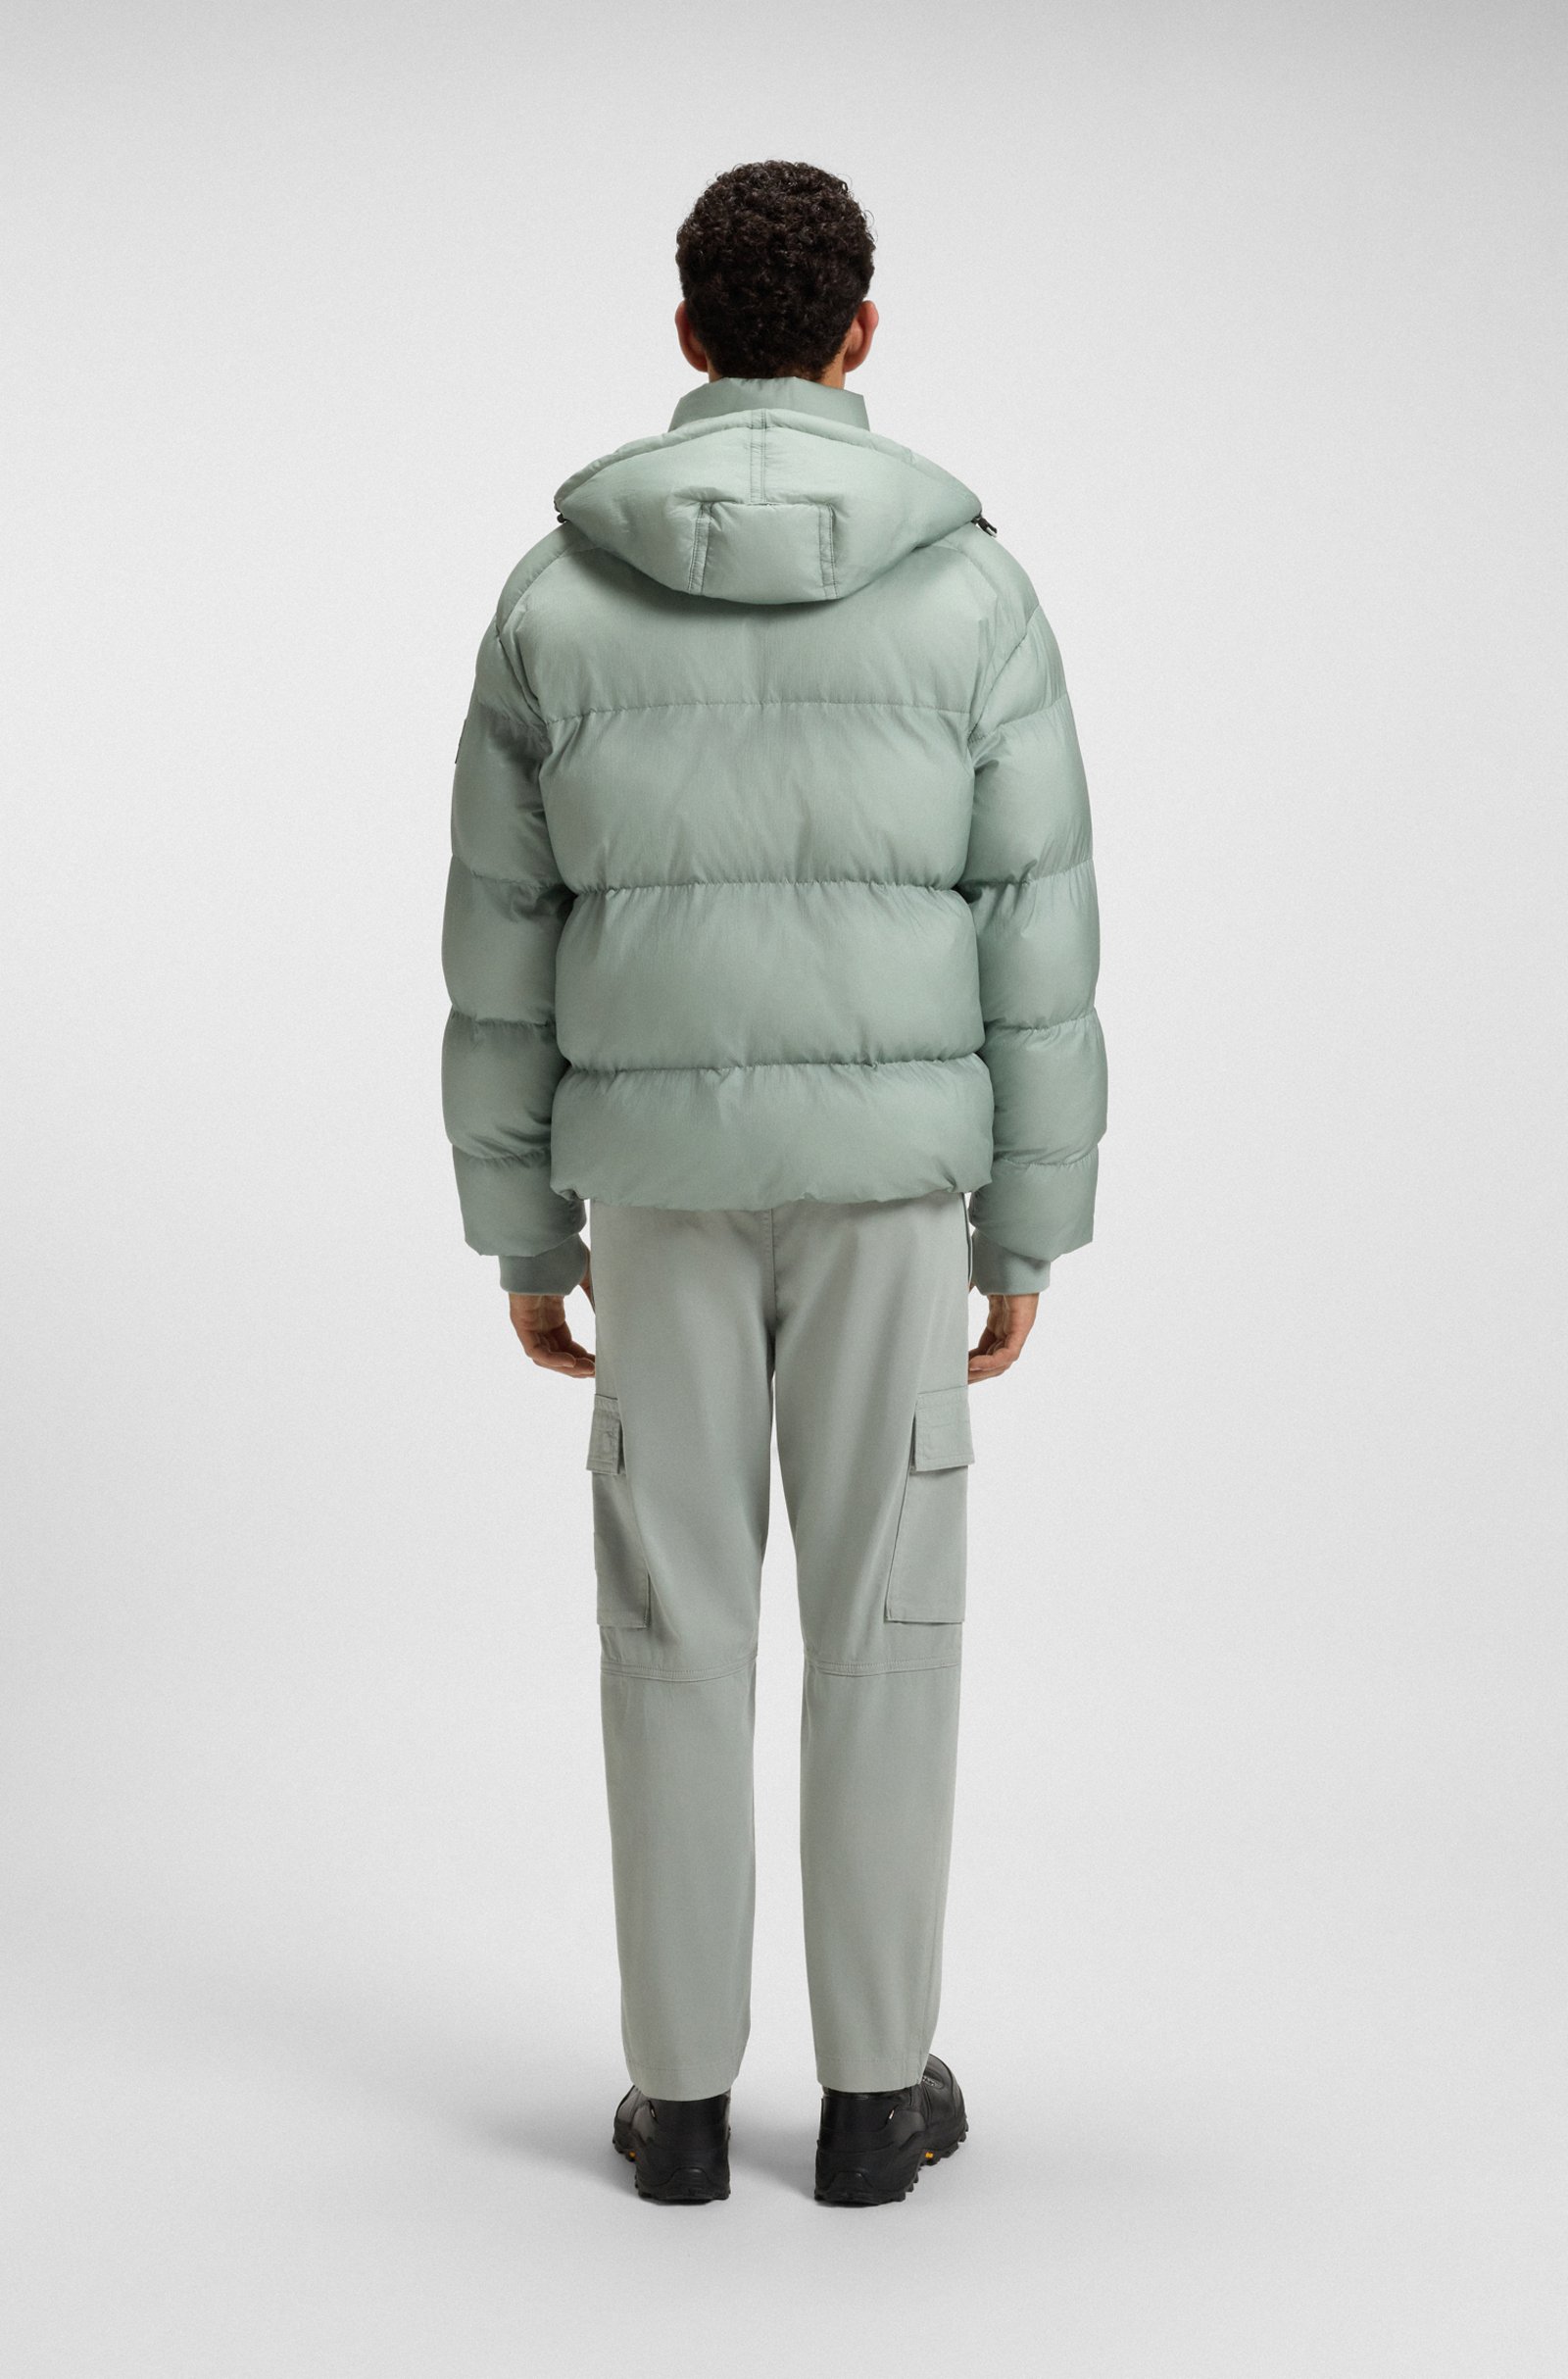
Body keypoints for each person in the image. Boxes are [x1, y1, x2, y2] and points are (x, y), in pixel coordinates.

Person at [441, 159, 1106, 2206]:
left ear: (685, 334)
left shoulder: (554, 598)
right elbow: (1036, 930)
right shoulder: (973, 594)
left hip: (652, 1192)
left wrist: (521, 1228)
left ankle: (676, 2108)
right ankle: (875, 2102)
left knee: (673, 1623)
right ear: (856, 334)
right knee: (885, 1621)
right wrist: (1026, 1224)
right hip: (892, 1192)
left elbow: (501, 940)